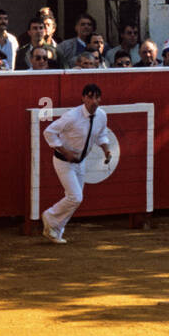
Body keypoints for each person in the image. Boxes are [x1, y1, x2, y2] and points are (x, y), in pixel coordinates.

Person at [39, 84, 112, 245]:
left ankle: (55, 231)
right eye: (91, 97)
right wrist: (65, 151)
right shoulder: (72, 116)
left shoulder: (101, 115)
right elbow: (49, 132)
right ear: (83, 98)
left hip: (81, 161)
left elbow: (101, 134)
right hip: (63, 160)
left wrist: (106, 150)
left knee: (75, 198)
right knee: (75, 197)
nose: (94, 101)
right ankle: (50, 217)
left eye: (97, 97)